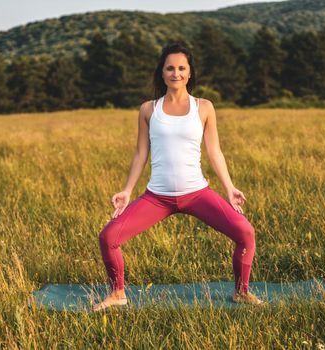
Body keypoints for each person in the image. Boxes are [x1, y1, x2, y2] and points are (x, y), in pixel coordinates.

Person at [93, 43, 263, 311]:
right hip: (157, 197)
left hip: (197, 194)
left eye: (181, 68)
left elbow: (214, 151)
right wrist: (126, 190)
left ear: (190, 73)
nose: (176, 73)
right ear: (161, 73)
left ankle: (242, 292)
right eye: (170, 68)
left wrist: (229, 188)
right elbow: (140, 153)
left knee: (245, 232)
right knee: (108, 236)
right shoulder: (149, 109)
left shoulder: (204, 107)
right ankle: (117, 293)